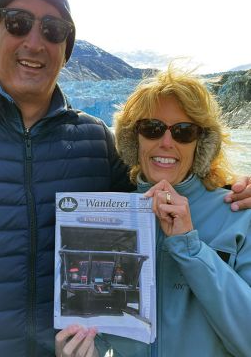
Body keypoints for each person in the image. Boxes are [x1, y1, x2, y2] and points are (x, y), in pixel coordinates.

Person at [0, 0, 250, 357]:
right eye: (18, 23)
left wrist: (238, 188)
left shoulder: (93, 142)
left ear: (66, 50)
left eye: (53, 30)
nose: (34, 42)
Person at [92, 66, 251, 356]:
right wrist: (87, 345)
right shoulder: (111, 217)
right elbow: (102, 323)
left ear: (201, 143)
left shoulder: (240, 214)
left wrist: (191, 249)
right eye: (151, 129)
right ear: (133, 137)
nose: (167, 142)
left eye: (183, 132)